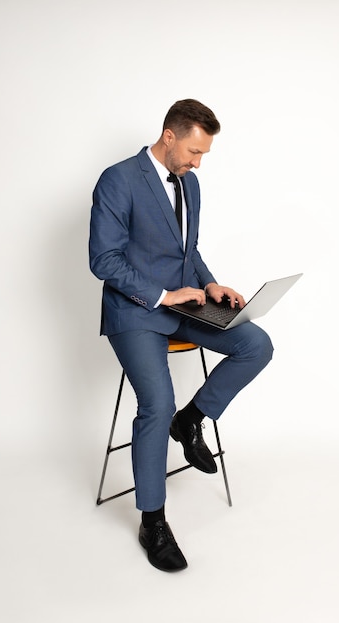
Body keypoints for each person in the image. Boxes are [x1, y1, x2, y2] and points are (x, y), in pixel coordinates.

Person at [89, 99, 273, 572]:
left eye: (203, 155)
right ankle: (153, 520)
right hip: (136, 312)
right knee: (156, 403)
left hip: (187, 300)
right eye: (194, 151)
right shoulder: (118, 179)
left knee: (257, 344)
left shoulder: (190, 184)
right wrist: (163, 296)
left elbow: (184, 249)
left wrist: (209, 283)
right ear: (169, 136)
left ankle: (191, 420)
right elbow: (104, 261)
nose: (197, 162)